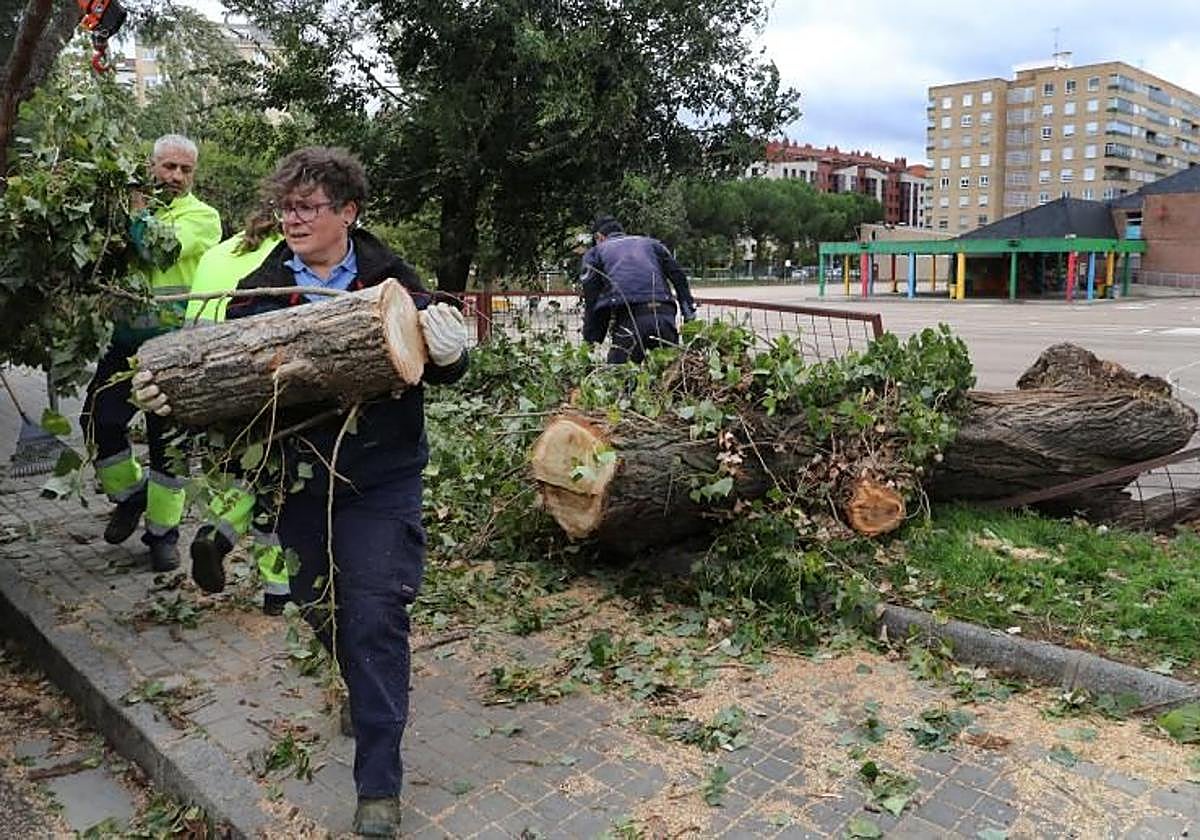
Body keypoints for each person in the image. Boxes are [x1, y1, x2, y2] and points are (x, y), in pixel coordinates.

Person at [134, 147, 468, 838]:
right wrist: (170, 394)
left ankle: (379, 782)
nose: (293, 219)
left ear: (348, 211)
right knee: (321, 602)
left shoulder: (391, 277)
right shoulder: (258, 291)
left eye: (308, 207)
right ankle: (356, 673)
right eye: (287, 206)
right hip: (299, 479)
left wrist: (452, 351)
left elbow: (435, 367)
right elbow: (229, 390)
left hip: (382, 476)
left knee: (376, 614)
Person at [82, 134, 222, 571]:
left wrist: (137, 214)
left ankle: (163, 535)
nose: (176, 176)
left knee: (169, 448)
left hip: (174, 348)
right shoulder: (123, 209)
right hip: (124, 345)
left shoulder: (204, 217)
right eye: (168, 167)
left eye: (185, 170)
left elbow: (162, 250)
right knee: (96, 422)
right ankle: (131, 496)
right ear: (151, 167)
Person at [183, 204, 291, 614]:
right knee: (274, 491)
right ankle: (279, 590)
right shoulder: (286, 257)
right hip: (259, 387)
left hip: (209, 388)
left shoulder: (219, 253)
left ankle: (214, 533)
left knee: (236, 480)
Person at [579, 215, 697, 363]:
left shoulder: (595, 253)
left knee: (619, 378)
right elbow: (679, 278)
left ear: (599, 237)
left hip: (630, 320)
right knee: (667, 376)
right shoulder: (653, 244)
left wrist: (591, 341)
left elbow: (593, 301)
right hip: (664, 315)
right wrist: (689, 317)